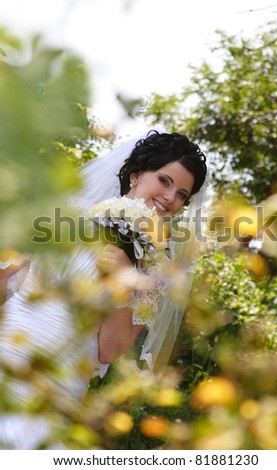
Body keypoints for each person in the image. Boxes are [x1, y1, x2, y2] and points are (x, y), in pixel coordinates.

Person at [0, 129, 207, 449]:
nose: (170, 198)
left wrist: (126, 278)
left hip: (59, 387)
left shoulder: (158, 270)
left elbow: (109, 350)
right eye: (164, 181)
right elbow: (7, 277)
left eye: (182, 194)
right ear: (136, 176)